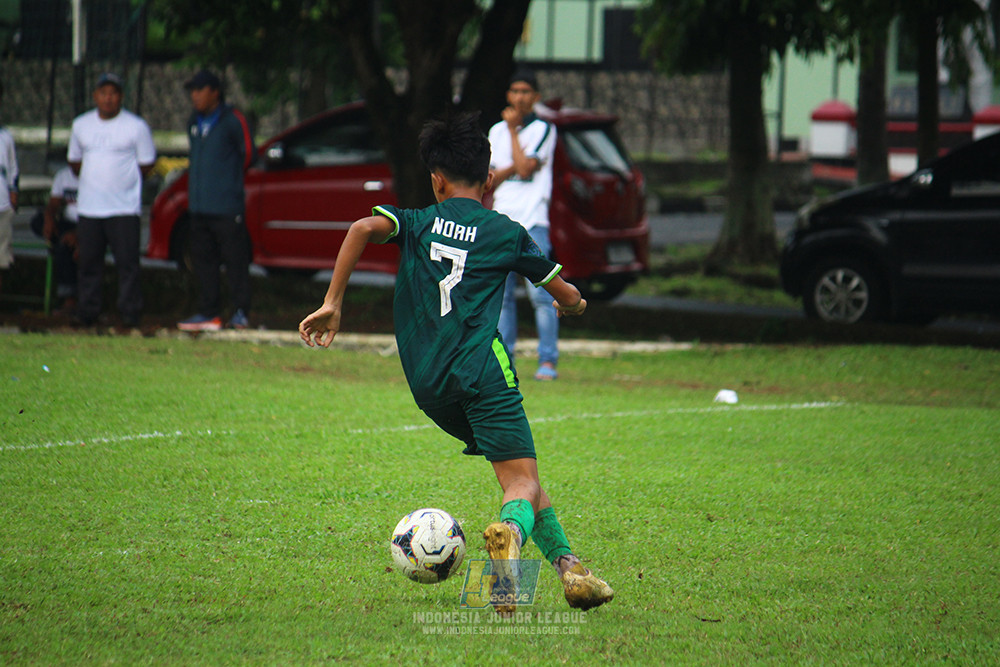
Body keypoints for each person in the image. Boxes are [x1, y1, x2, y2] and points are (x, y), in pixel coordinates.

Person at [299, 112, 613, 616]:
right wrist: (573, 305)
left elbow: (360, 227)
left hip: (428, 384)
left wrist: (334, 301)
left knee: (520, 476)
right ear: (489, 179)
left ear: (436, 180)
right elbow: (565, 291)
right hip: (483, 372)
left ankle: (572, 571)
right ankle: (509, 540)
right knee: (521, 485)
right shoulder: (505, 232)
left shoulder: (417, 222)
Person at [68, 72, 156, 328]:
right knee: (88, 264)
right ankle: (88, 312)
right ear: (95, 96)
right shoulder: (81, 125)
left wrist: (122, 181)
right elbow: (74, 161)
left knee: (127, 264)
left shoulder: (136, 126)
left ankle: (129, 313)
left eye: (113, 93)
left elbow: (146, 165)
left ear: (121, 97)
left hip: (123, 208)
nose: (108, 98)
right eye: (103, 93)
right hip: (90, 208)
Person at [488, 69, 560, 381]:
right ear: (508, 95)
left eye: (526, 91)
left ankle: (548, 361)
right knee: (501, 297)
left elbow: (527, 172)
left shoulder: (544, 128)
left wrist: (515, 132)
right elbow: (490, 179)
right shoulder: (495, 131)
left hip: (533, 221)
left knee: (541, 294)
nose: (519, 97)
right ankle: (508, 362)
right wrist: (516, 164)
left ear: (536, 97)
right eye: (514, 90)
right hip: (503, 220)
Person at [176, 69, 255, 332]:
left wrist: (226, 183)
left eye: (199, 90)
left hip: (226, 207)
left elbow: (247, 155)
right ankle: (210, 312)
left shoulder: (232, 119)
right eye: (192, 91)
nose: (194, 96)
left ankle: (241, 311)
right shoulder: (194, 121)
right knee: (203, 261)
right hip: (199, 207)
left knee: (235, 261)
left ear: (215, 92)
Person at [33, 165, 80, 311]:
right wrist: (49, 219)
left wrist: (80, 234)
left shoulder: (95, 174)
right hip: (66, 224)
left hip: (89, 225)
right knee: (37, 221)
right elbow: (53, 204)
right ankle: (61, 241)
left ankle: (70, 299)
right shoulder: (63, 175)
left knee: (63, 248)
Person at [0, 81, 18, 296]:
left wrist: (13, 198)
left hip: (2, 206)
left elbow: (13, 171)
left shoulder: (6, 136)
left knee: (1, 261)